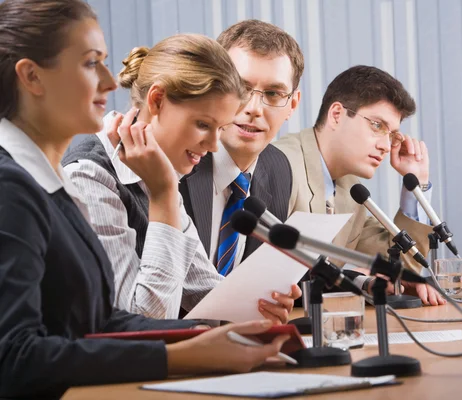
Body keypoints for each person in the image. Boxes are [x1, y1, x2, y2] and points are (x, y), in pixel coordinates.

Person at [0, 1, 289, 397]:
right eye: (90, 63)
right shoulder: (18, 187)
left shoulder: (46, 181)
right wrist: (186, 355)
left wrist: (218, 332)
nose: (109, 81)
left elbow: (102, 321)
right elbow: (13, 358)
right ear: (32, 76)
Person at [63, 32, 297, 322]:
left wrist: (258, 305)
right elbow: (145, 322)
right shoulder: (89, 178)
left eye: (220, 128)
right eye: (203, 124)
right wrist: (163, 195)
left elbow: (203, 287)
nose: (213, 146)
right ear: (157, 100)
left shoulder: (158, 169)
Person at [275, 65, 446, 306]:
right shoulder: (281, 166)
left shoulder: (350, 189)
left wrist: (415, 186)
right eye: (377, 126)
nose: (386, 146)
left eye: (393, 135)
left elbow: (400, 264)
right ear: (336, 114)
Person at [178, 20, 303, 312]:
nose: (254, 109)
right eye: (241, 88)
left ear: (292, 106)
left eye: (273, 94)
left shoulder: (277, 167)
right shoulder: (177, 159)